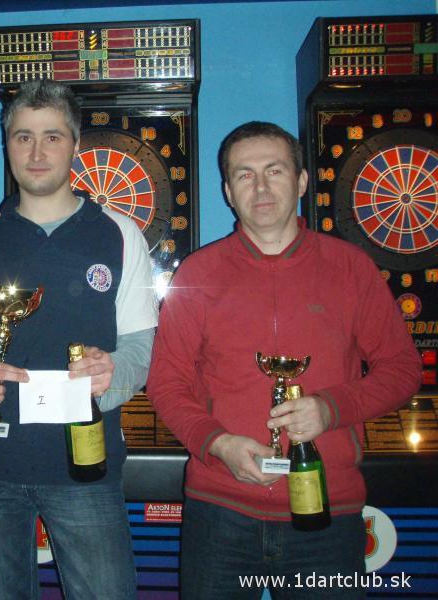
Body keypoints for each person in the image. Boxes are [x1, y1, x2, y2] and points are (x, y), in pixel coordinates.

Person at [146, 121, 422, 599]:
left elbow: (402, 369)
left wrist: (331, 409)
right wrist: (218, 444)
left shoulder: (351, 269)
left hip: (327, 513)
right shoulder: (198, 273)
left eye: (274, 171)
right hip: (220, 513)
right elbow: (166, 383)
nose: (260, 186)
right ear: (228, 192)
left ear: (301, 181)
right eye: (244, 174)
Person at [0, 79, 157, 599]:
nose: (36, 153)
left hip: (84, 466)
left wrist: (112, 377)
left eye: (52, 137)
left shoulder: (121, 235)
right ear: (7, 145)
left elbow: (141, 349)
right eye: (23, 137)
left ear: (75, 145)